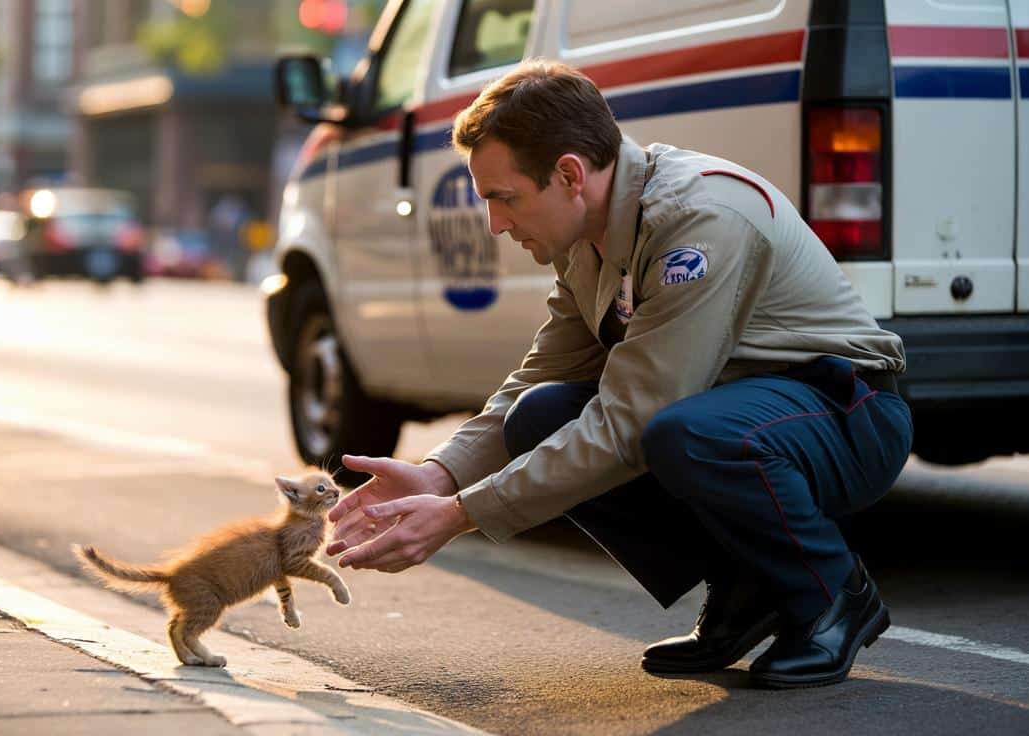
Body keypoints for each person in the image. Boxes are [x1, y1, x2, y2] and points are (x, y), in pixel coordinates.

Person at [326, 60, 912, 690]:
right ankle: (748, 586)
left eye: (505, 197)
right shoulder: (587, 233)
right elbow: (541, 376)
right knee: (539, 416)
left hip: (845, 415)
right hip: (742, 413)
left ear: (569, 175)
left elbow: (632, 419)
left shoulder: (696, 220)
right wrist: (441, 475)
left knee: (684, 433)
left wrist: (462, 513)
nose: (496, 223)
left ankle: (833, 594)